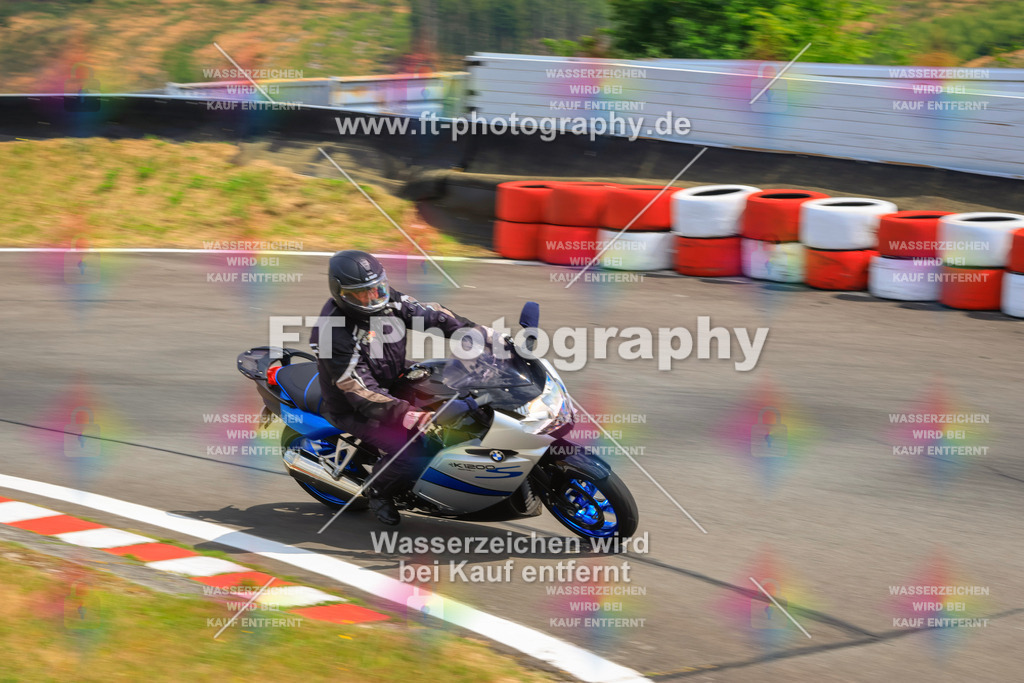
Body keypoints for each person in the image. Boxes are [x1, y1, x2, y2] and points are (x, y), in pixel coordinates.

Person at [311, 250, 482, 526]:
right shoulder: (334, 332)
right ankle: (378, 490)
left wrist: (481, 334)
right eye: (361, 294)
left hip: (394, 376)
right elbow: (359, 389)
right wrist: (409, 414)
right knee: (413, 450)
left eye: (376, 288)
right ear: (341, 293)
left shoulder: (386, 299)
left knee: (457, 385)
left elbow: (431, 315)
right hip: (355, 405)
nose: (372, 298)